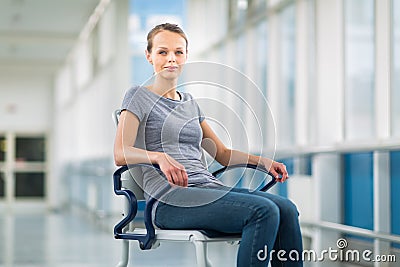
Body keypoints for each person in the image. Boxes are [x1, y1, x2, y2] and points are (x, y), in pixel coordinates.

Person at [114, 23, 303, 267]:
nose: (171, 58)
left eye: (178, 52)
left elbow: (222, 154)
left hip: (207, 188)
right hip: (169, 200)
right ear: (149, 56)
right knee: (263, 211)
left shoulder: (190, 103)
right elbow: (121, 153)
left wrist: (264, 162)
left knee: (286, 208)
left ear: (186, 57)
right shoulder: (138, 95)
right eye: (162, 52)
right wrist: (159, 157)